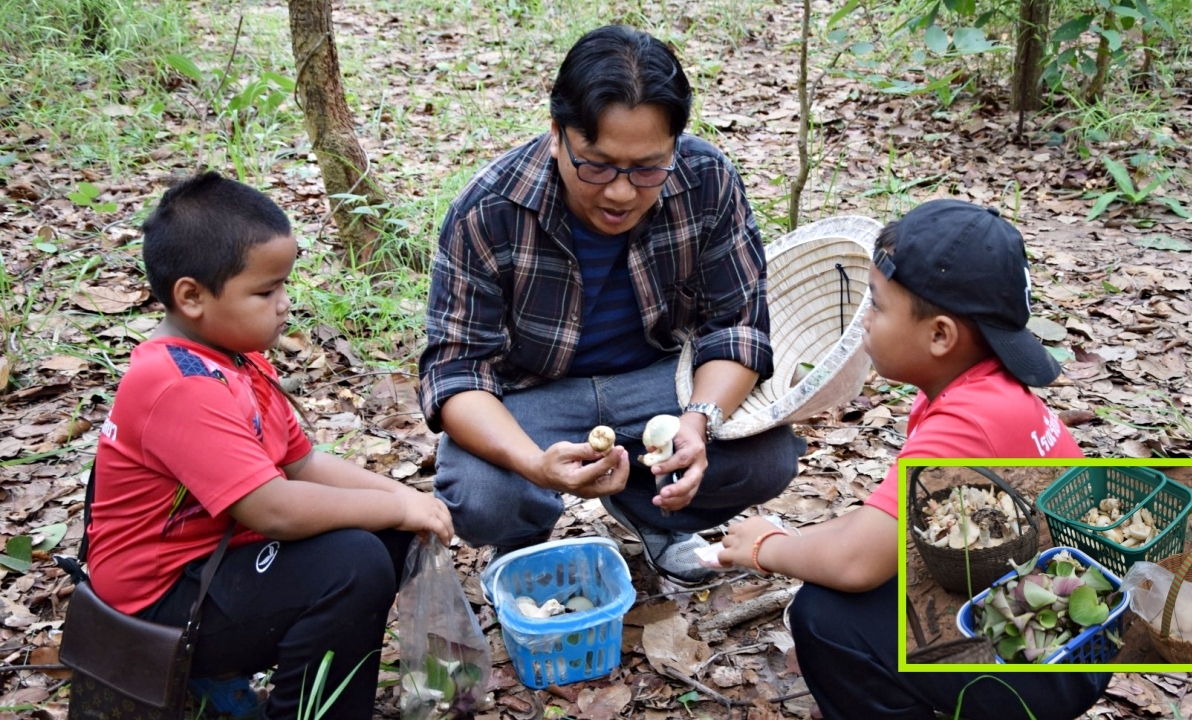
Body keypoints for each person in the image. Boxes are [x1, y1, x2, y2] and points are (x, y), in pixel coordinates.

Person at [419, 24, 805, 586]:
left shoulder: (706, 180)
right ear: (557, 134)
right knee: (482, 496)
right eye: (595, 165)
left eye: (648, 167)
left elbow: (738, 327)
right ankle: (521, 540)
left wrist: (698, 422)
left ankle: (655, 514)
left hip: (659, 383)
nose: (621, 192)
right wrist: (535, 466)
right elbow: (456, 371)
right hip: (536, 397)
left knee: (766, 457)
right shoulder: (491, 209)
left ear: (676, 144)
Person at [717, 200, 1111, 720]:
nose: (864, 319)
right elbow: (886, 528)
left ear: (940, 334)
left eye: (877, 306)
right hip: (1062, 623)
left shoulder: (964, 423)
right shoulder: (982, 390)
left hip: (1050, 661)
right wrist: (800, 541)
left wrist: (766, 547)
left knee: (829, 617)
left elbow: (855, 563)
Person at [88, 172, 453, 720]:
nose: (284, 304)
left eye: (283, 285)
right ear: (191, 296)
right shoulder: (178, 385)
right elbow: (273, 508)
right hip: (157, 607)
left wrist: (411, 503)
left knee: (390, 534)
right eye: (265, 291)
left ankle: (283, 688)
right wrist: (400, 504)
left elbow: (301, 462)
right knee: (352, 564)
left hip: (210, 562)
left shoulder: (236, 359)